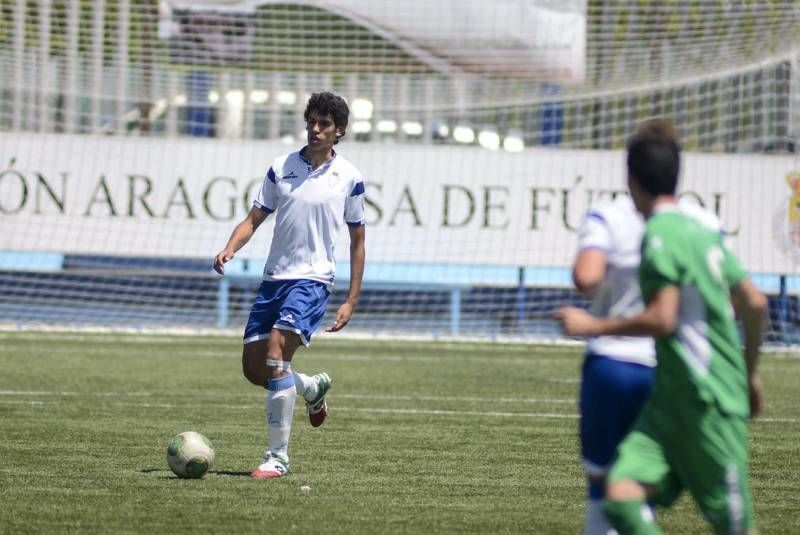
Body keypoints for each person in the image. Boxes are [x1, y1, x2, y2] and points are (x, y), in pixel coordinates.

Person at [555, 120, 767, 534]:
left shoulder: (659, 234)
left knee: (734, 526)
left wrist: (592, 324)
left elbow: (661, 317)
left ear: (631, 179)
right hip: (668, 394)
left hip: (707, 398)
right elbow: (754, 302)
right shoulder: (703, 225)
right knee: (622, 493)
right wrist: (751, 371)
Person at [213, 92, 366, 478]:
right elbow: (253, 219)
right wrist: (230, 248)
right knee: (255, 369)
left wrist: (351, 299)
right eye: (311, 121)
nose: (315, 130)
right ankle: (312, 387)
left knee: (278, 351)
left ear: (339, 131)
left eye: (324, 124)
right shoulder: (280, 167)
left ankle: (276, 458)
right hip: (274, 278)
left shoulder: (349, 177)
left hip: (313, 279)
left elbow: (358, 240)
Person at [570, 192, 656, 535]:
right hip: (666, 367)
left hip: (611, 363)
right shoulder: (697, 222)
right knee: (641, 485)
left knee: (601, 482)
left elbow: (586, 278)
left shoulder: (608, 216)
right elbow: (740, 299)